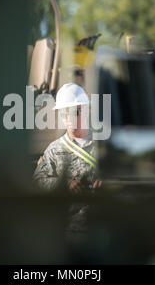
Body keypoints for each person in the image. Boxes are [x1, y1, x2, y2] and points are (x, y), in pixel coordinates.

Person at [33, 83, 102, 238]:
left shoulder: (105, 145)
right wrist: (64, 185)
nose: (69, 118)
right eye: (64, 113)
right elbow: (38, 182)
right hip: (67, 232)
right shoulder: (55, 149)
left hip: (102, 231)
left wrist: (108, 183)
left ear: (85, 110)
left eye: (74, 112)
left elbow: (129, 178)